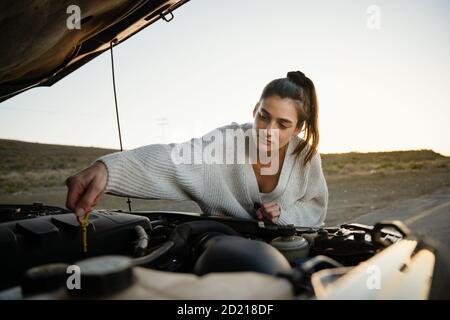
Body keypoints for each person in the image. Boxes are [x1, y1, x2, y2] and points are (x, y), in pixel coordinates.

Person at [65, 71, 328, 227]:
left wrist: (284, 215)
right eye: (263, 116)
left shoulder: (306, 157)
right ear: (254, 110)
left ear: (297, 129)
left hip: (287, 253)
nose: (267, 130)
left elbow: (314, 208)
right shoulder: (226, 142)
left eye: (283, 124)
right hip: (222, 247)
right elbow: (174, 159)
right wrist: (108, 170)